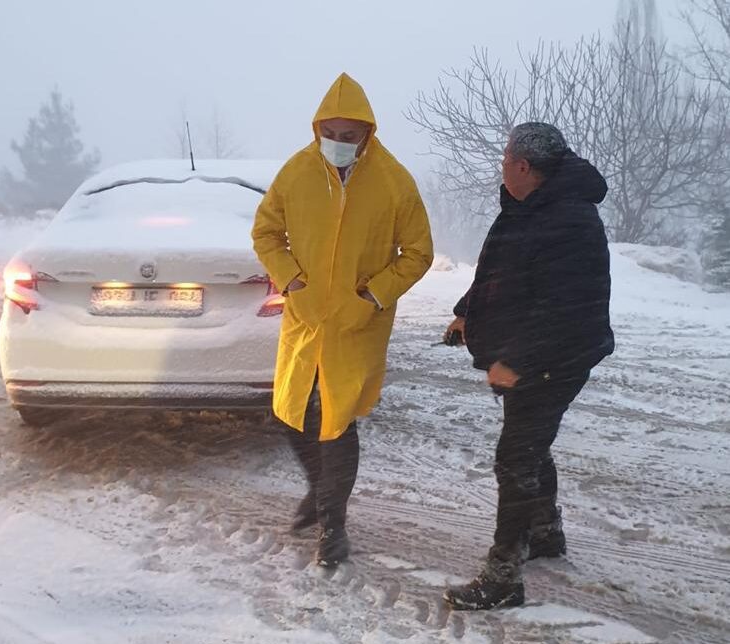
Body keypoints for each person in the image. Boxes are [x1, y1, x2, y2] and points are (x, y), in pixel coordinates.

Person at [252, 73, 433, 567]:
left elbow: (418, 253)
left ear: (367, 133)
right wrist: (291, 282)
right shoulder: (296, 173)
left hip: (358, 324)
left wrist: (372, 296)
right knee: (289, 413)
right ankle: (320, 492)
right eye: (329, 133)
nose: (337, 144)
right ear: (317, 130)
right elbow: (266, 234)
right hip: (306, 318)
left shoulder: (395, 182)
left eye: (348, 136)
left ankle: (334, 526)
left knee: (337, 421)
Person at [442, 122, 614, 609]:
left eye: (504, 158)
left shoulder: (568, 221)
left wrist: (516, 362)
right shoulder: (529, 207)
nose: (501, 165)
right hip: (537, 354)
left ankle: (503, 577)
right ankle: (545, 533)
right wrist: (465, 310)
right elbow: (502, 270)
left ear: (522, 166)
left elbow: (562, 309)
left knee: (515, 458)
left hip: (554, 359)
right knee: (532, 445)